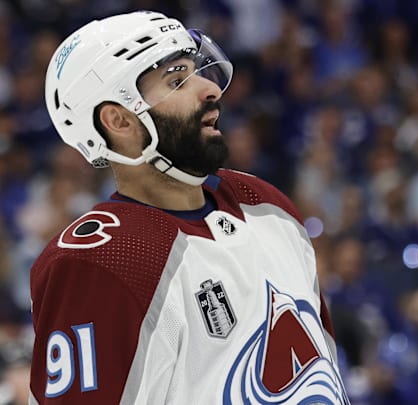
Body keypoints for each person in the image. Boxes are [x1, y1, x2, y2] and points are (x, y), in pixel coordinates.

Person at [29, 10, 349, 404]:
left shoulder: (266, 204)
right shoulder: (102, 260)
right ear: (119, 120)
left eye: (196, 70)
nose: (209, 89)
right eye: (177, 80)